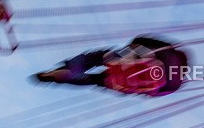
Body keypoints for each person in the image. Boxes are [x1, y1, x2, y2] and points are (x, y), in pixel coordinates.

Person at [32, 37, 187, 96]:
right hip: (127, 82)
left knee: (95, 58)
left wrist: (129, 48)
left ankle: (66, 69)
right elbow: (152, 93)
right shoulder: (175, 85)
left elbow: (141, 41)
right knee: (93, 80)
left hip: (129, 60)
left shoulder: (170, 49)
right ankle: (62, 79)